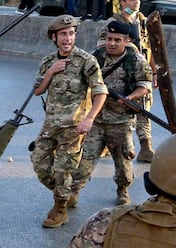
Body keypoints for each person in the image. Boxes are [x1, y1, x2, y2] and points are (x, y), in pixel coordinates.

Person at [30, 15, 107, 228]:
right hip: (50, 126)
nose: (68, 38)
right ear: (54, 37)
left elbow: (101, 92)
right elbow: (37, 91)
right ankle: (67, 192)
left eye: (71, 33)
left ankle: (59, 209)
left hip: (73, 128)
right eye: (63, 34)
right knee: (39, 164)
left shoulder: (86, 61)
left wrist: (89, 119)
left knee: (63, 170)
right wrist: (51, 71)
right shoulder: (47, 61)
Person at [70, 21, 152, 207]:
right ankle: (74, 191)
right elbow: (80, 80)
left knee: (123, 160)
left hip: (121, 121)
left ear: (127, 40)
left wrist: (129, 97)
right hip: (96, 120)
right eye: (109, 39)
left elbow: (145, 86)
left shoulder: (136, 60)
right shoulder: (95, 58)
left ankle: (122, 190)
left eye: (117, 40)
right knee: (85, 159)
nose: (112, 43)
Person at [97, 0, 157, 162]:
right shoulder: (113, 22)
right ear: (122, 2)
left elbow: (150, 47)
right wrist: (126, 46)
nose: (136, 2)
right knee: (112, 110)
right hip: (119, 72)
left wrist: (154, 71)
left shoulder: (143, 21)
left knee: (143, 109)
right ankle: (105, 144)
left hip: (140, 71)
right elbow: (102, 46)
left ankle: (146, 146)